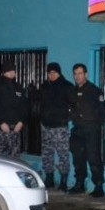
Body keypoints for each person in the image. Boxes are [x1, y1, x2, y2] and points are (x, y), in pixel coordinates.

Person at [68, 63, 105, 198]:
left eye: (80, 73)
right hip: (78, 128)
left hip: (91, 129)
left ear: (86, 74)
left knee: (93, 157)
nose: (77, 76)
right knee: (78, 157)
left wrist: (95, 125)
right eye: (75, 74)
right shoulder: (71, 91)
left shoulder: (94, 91)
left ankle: (99, 186)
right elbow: (70, 109)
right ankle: (79, 183)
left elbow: (102, 111)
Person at [38, 62, 73, 190]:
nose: (51, 75)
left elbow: (74, 105)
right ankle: (49, 178)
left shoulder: (67, 86)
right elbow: (39, 104)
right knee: (47, 153)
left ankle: (63, 181)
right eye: (49, 72)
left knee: (63, 153)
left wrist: (65, 118)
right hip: (46, 126)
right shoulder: (44, 86)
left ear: (59, 73)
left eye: (54, 72)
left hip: (60, 127)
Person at [0, 59, 28, 158]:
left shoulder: (18, 87)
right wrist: (0, 123)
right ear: (4, 71)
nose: (13, 72)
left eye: (13, 70)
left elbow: (25, 107)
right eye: (10, 70)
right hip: (0, 130)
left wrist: (21, 122)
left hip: (15, 130)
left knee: (15, 161)